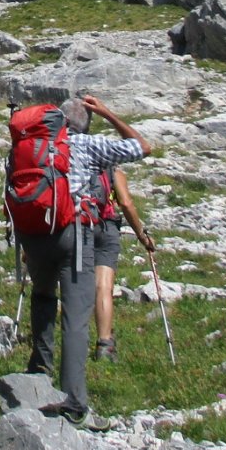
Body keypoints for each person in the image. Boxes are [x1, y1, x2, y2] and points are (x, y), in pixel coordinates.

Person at [16, 93, 152, 427]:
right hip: (72, 235)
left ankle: (39, 369)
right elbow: (142, 147)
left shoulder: (31, 145)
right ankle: (74, 402)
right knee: (76, 316)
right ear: (85, 124)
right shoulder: (88, 146)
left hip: (34, 235)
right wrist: (108, 112)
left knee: (43, 295)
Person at [90, 165, 153, 362]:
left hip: (77, 225)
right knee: (103, 287)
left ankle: (74, 339)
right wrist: (142, 235)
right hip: (106, 226)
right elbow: (125, 203)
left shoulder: (71, 166)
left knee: (73, 283)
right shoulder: (112, 171)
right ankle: (105, 344)